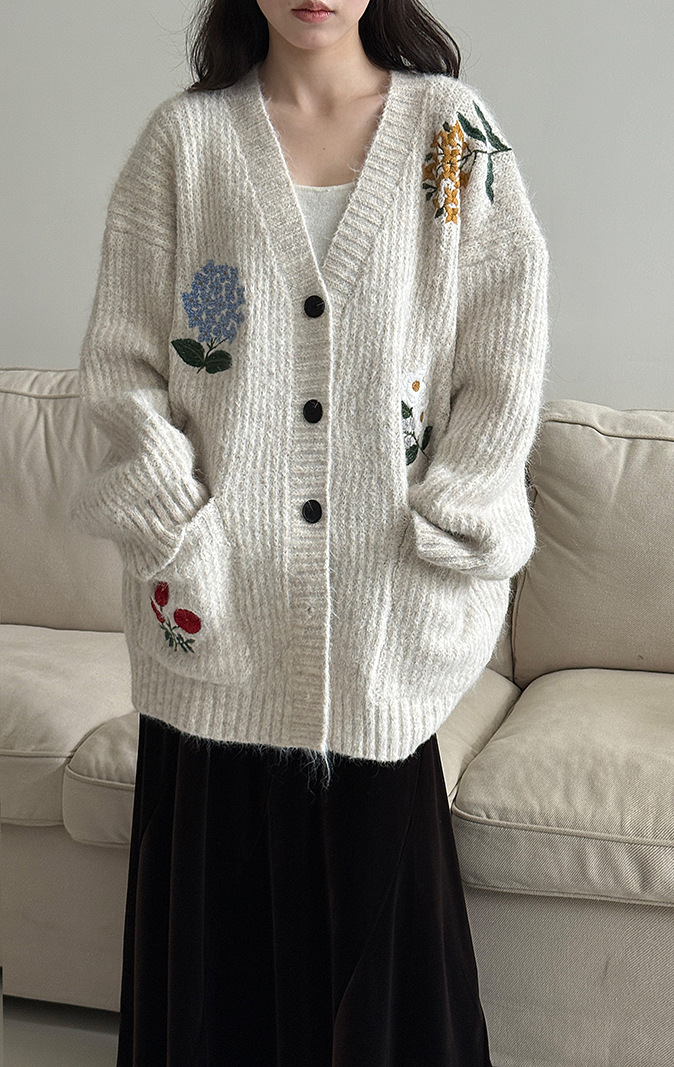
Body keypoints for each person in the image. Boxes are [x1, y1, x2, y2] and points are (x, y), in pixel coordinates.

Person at [70, 0, 549, 1063]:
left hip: (382, 632)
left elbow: (502, 356)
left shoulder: (450, 136)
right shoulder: (187, 144)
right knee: (216, 983)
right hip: (215, 623)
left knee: (383, 989)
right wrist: (179, 536)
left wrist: (452, 524)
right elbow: (120, 372)